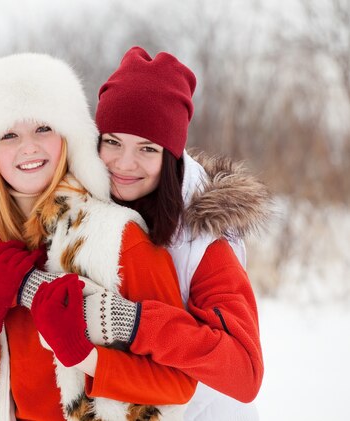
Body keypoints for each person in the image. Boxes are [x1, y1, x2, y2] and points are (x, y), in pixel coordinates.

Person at [0, 52, 196, 420]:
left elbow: (179, 385)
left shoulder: (118, 238)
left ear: (69, 138)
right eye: (8, 134)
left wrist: (84, 356)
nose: (28, 146)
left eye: (44, 128)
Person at [85, 47, 268, 420]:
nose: (124, 163)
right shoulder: (83, 198)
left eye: (147, 148)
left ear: (170, 156)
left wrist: (135, 323)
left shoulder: (205, 238)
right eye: (113, 141)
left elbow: (245, 372)